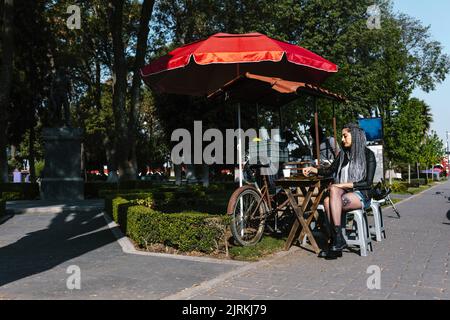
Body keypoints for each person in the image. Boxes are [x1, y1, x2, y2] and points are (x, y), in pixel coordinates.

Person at [302, 123, 376, 259]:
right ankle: (338, 240)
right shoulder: (342, 155)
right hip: (343, 196)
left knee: (330, 198)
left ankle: (335, 242)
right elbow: (330, 171)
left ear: (355, 136)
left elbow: (368, 183)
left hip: (361, 194)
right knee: (327, 199)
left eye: (345, 136)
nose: (342, 139)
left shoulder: (368, 155)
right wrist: (314, 169)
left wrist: (342, 185)